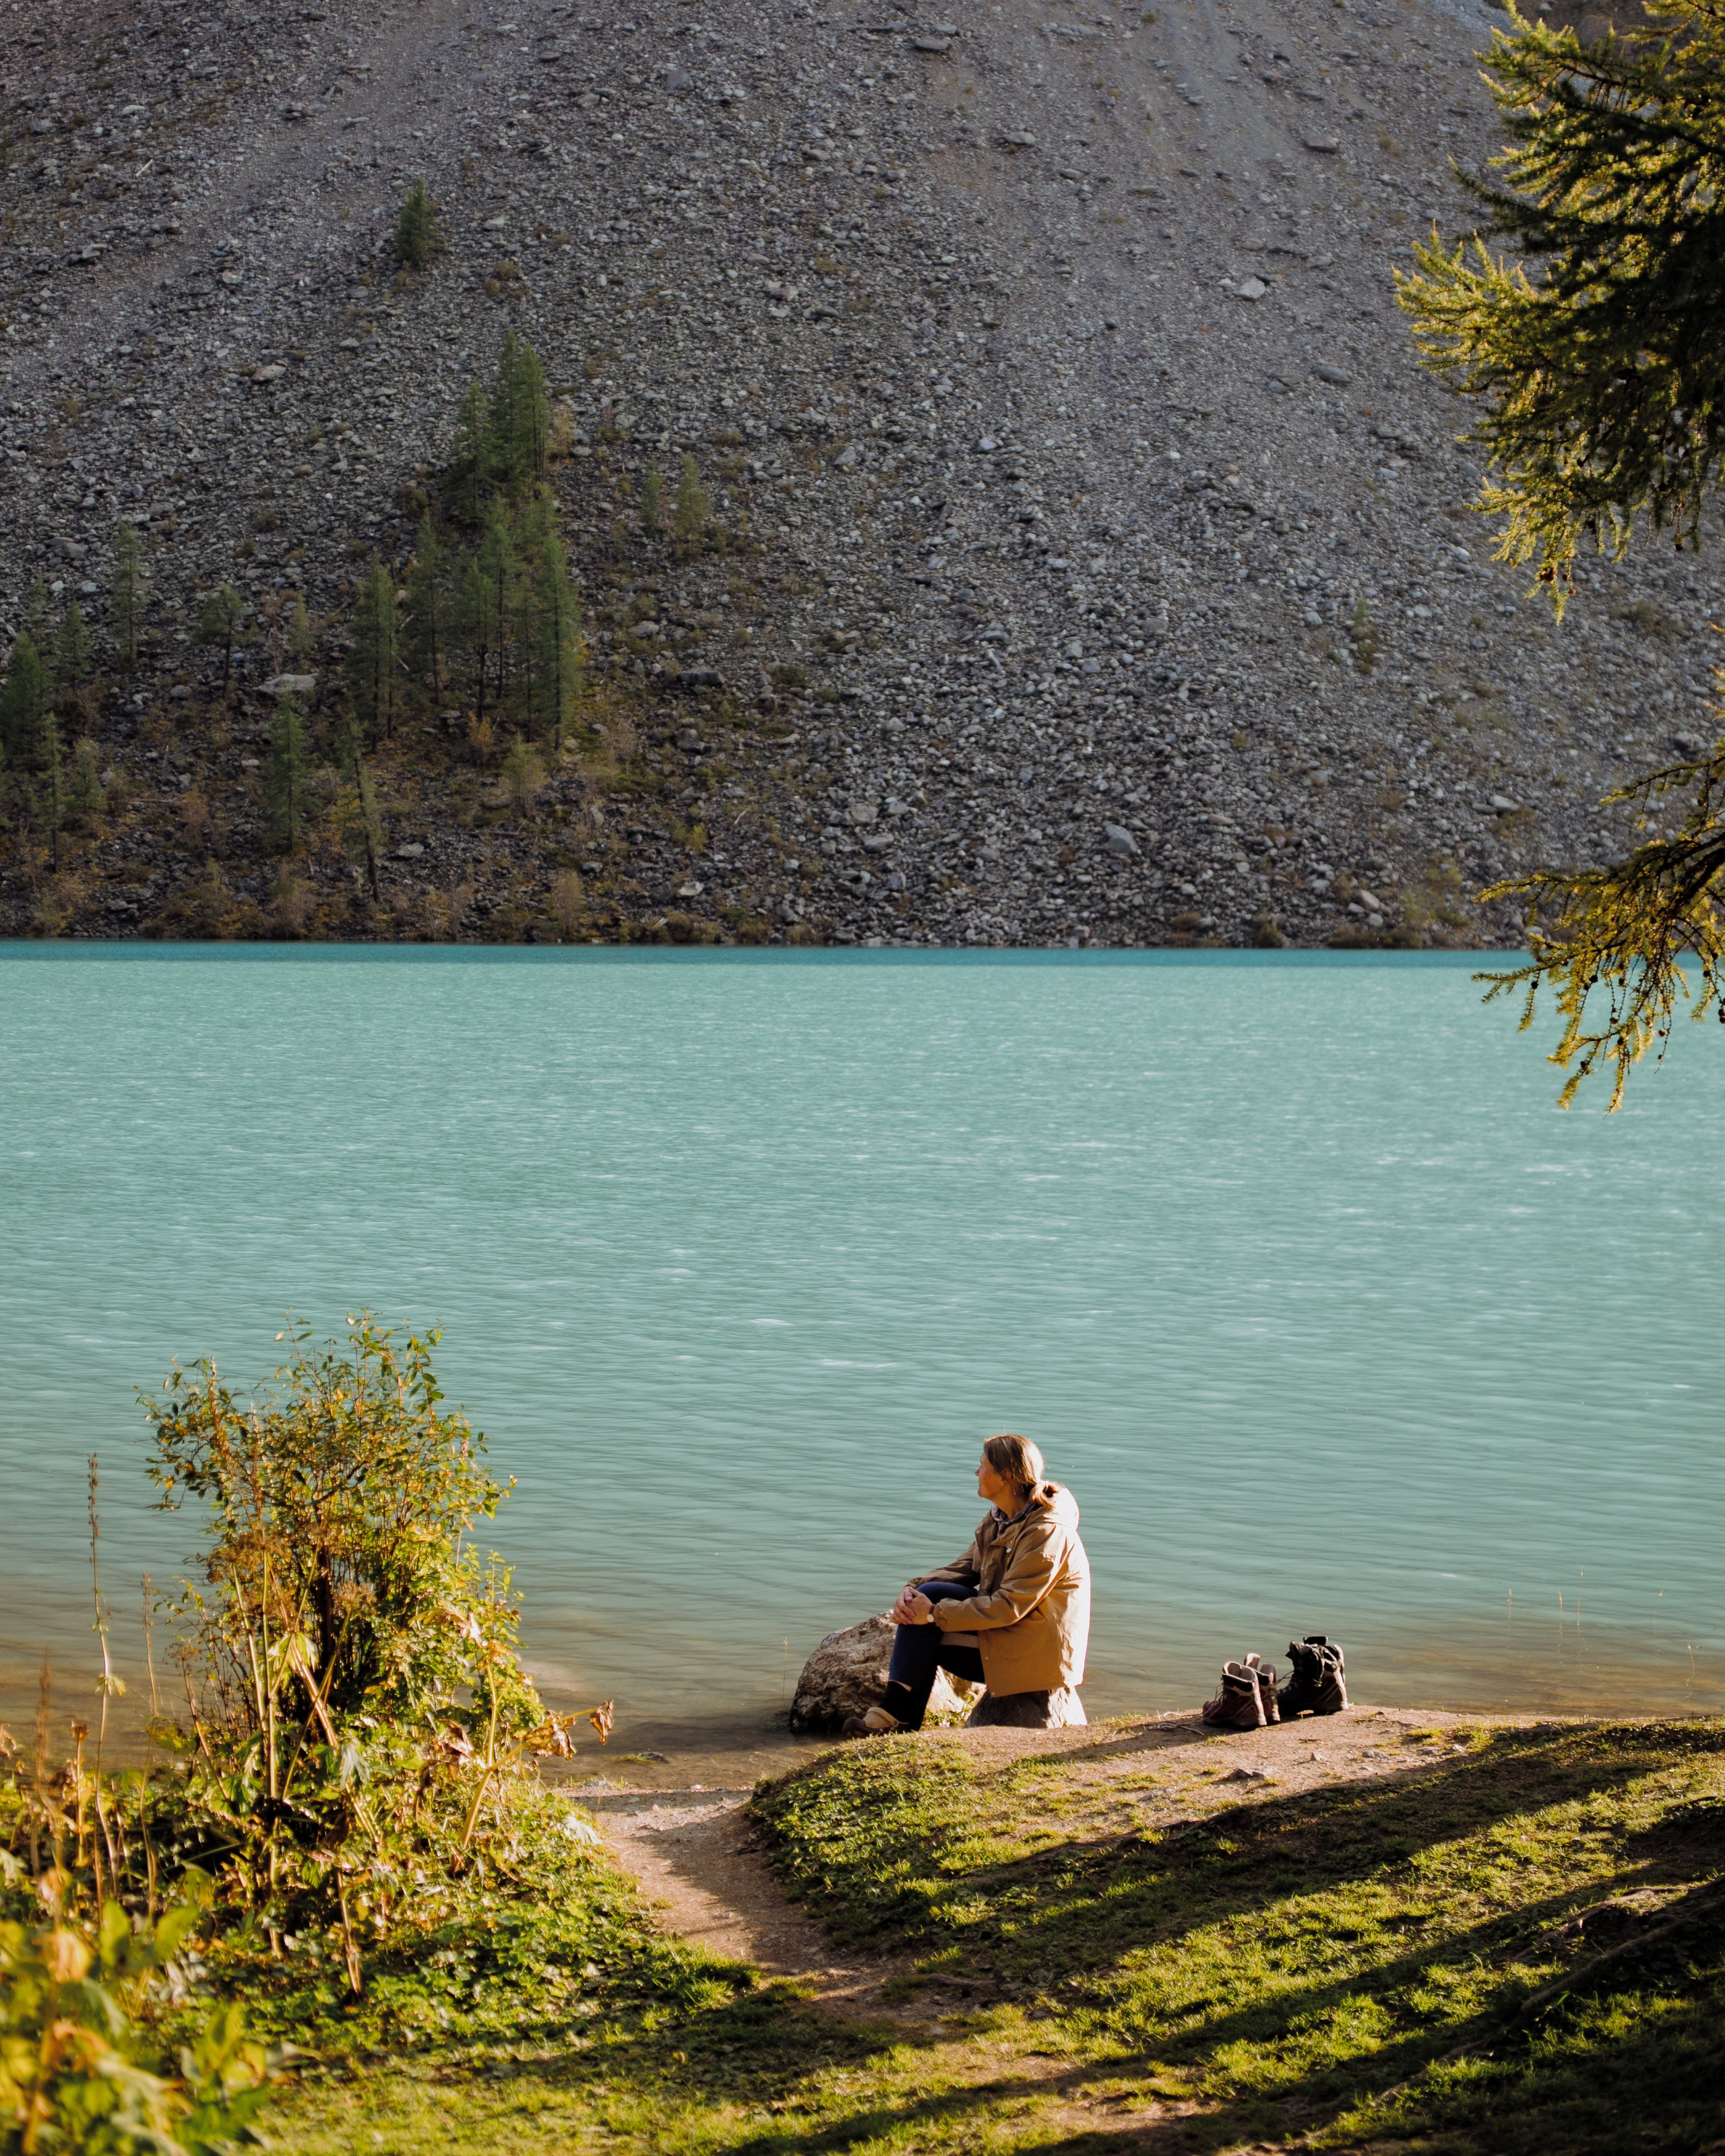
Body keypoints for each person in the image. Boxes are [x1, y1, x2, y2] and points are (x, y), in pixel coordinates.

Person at [843, 1433, 1091, 1737]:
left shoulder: (1046, 1533)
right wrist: (912, 1591)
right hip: (1013, 1635)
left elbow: (1009, 1606)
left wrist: (933, 1614)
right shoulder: (1003, 1518)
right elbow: (966, 1567)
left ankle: (897, 1718)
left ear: (1006, 1476)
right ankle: (896, 1716)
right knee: (931, 1594)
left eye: (982, 1466)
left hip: (1035, 1653)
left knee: (928, 1625)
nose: (976, 1472)